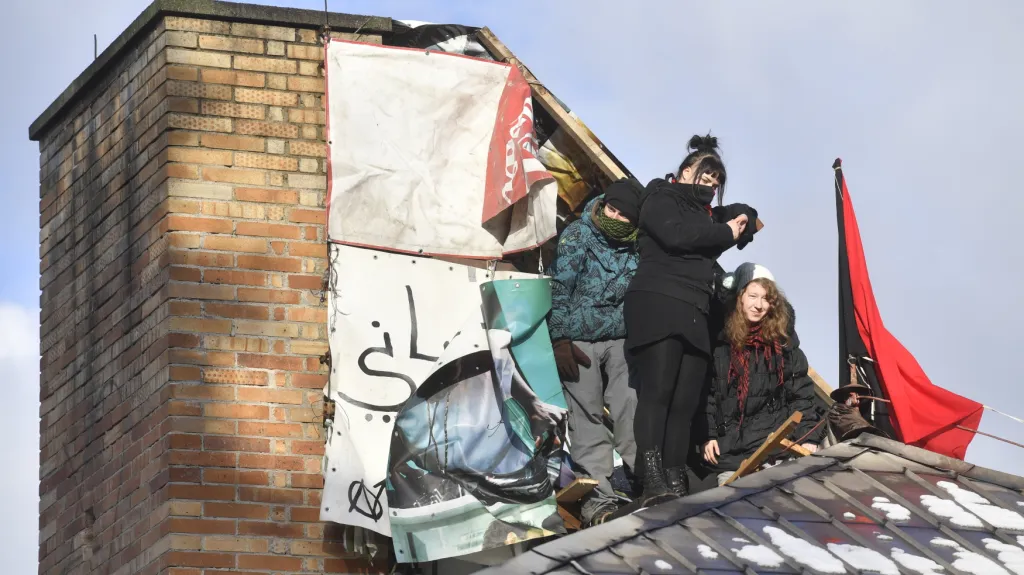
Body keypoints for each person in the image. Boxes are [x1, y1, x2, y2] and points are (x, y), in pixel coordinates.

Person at [624, 134, 755, 507]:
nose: (711, 182)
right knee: (658, 392)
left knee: (684, 403)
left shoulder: (708, 215)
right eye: (705, 174)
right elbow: (676, 236)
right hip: (659, 301)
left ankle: (675, 478)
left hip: (696, 309)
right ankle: (652, 478)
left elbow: (744, 217)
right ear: (684, 172)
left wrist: (745, 216)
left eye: (717, 179)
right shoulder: (660, 196)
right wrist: (726, 232)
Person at [547, 179, 643, 526]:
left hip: (620, 338)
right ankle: (599, 501)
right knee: (586, 417)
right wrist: (560, 339)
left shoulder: (639, 246)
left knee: (630, 407)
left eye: (622, 214)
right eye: (610, 209)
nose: (613, 217)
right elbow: (560, 287)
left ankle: (645, 480)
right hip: (579, 339)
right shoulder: (578, 234)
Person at [701, 263, 826, 486]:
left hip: (774, 448)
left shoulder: (782, 344)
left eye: (766, 299)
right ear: (739, 297)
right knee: (729, 502)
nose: (758, 305)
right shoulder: (720, 344)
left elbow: (801, 395)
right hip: (731, 455)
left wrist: (807, 438)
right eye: (753, 296)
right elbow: (708, 395)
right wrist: (707, 435)